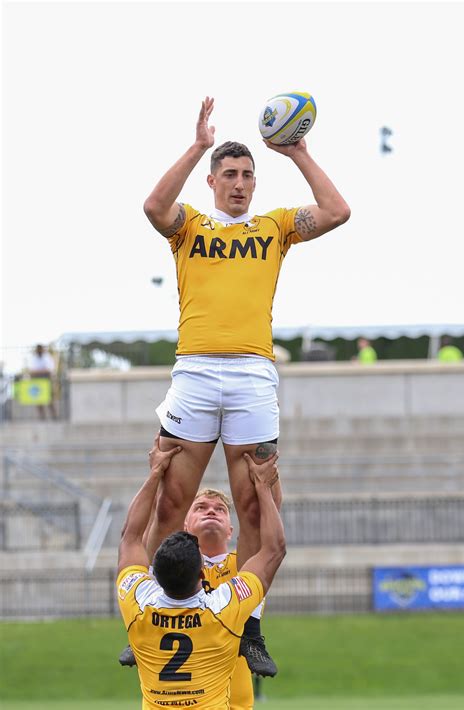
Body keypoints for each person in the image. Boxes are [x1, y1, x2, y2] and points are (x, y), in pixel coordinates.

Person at [143, 96, 349, 669]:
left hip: (253, 374)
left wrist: (299, 153)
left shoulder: (274, 226)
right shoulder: (190, 225)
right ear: (211, 181)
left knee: (255, 505)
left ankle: (250, 625)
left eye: (247, 175)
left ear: (256, 183)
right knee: (172, 500)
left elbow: (336, 211)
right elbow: (154, 205)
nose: (239, 183)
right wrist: (196, 146)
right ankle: (157, 609)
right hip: (195, 370)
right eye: (229, 175)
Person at [117, 434, 285, 709]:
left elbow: (130, 538)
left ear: (231, 530)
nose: (211, 512)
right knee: (165, 510)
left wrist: (156, 472)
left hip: (223, 687)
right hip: (218, 690)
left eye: (220, 509)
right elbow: (273, 548)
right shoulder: (223, 603)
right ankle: (250, 634)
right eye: (201, 507)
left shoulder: (142, 597)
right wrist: (265, 473)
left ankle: (251, 636)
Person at [28, 344, 57, 419]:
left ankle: (54, 416)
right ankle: (42, 416)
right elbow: (31, 371)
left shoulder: (47, 357)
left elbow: (50, 370)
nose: (39, 351)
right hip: (37, 382)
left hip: (47, 381)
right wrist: (43, 371)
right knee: (38, 400)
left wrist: (39, 372)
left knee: (50, 399)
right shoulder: (33, 358)